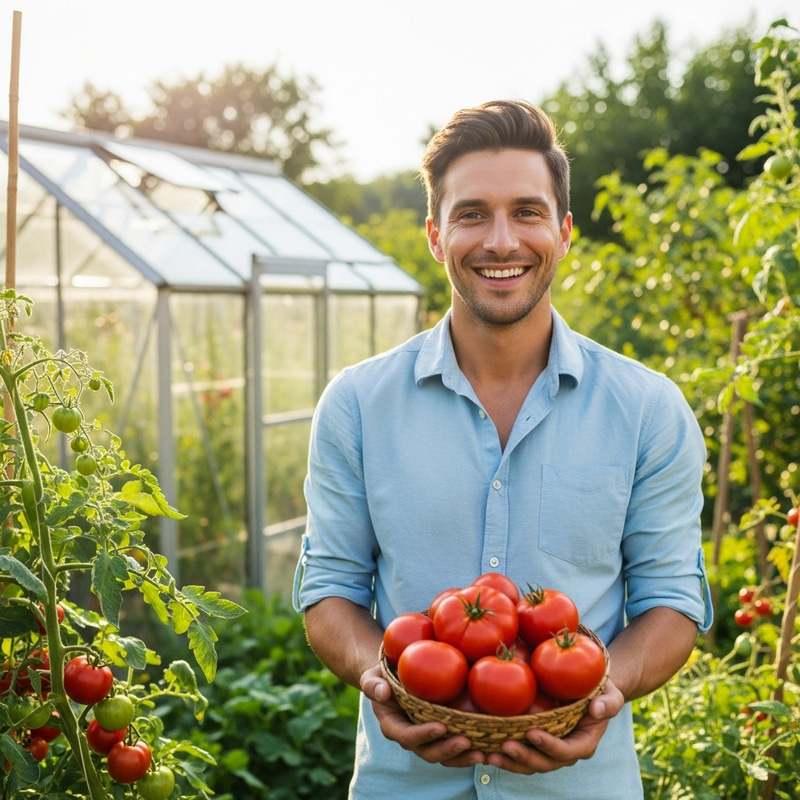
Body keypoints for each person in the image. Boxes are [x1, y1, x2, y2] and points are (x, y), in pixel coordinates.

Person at [293, 99, 712, 799]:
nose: (499, 241)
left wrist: (605, 687)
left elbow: (672, 601)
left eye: (526, 211)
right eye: (470, 214)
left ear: (564, 231)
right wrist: (379, 670)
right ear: (434, 235)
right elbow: (329, 591)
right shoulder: (358, 404)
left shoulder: (646, 409)